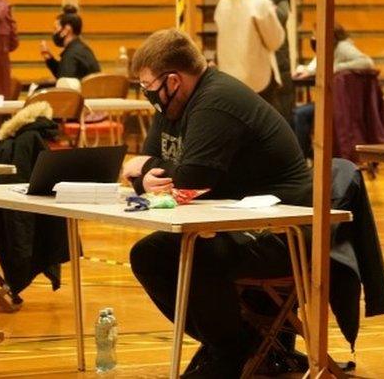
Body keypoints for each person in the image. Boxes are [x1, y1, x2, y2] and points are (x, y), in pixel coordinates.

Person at [122, 29, 311, 378]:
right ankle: (241, 343)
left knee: (194, 253)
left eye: (147, 86)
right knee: (149, 253)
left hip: (284, 233)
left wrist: (144, 171)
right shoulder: (175, 104)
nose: (147, 95)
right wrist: (145, 173)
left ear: (173, 80)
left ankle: (230, 350)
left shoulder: (216, 102)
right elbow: (149, 165)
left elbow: (189, 180)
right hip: (238, 223)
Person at [291, 24, 376, 158]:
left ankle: (302, 157)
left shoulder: (343, 47)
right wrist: (308, 71)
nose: (313, 38)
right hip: (336, 102)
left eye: (315, 34)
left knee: (300, 114)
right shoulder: (331, 48)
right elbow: (316, 66)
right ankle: (307, 155)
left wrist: (337, 67)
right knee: (298, 112)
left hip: (341, 106)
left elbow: (367, 62)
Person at [214, 0, 286, 105]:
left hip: (229, 78)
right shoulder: (260, 3)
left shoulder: (223, 2)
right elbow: (275, 41)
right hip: (257, 79)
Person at [247, 0, 296, 122]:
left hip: (277, 59)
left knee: (280, 114)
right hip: (250, 61)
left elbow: (282, 16)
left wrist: (261, 8)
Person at [40, 5, 101, 80]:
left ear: (66, 30)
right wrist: (50, 60)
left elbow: (65, 86)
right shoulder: (81, 49)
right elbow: (64, 74)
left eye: (55, 29)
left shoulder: (71, 55)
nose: (54, 33)